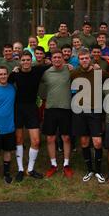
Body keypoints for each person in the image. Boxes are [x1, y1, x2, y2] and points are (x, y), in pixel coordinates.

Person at [7, 52, 50, 182]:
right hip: (18, 108)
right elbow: (4, 83)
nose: (26, 62)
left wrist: (69, 66)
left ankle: (30, 169)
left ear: (32, 61)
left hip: (32, 108)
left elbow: (55, 62)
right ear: (20, 61)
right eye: (23, 60)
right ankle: (20, 169)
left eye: (28, 60)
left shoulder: (38, 70)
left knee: (36, 141)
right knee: (19, 139)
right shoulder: (15, 74)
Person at [71, 49, 107, 183]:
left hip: (95, 110)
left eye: (86, 58)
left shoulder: (98, 72)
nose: (84, 60)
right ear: (78, 60)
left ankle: (98, 170)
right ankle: (89, 170)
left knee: (97, 142)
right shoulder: (74, 73)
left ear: (90, 59)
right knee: (84, 142)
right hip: (80, 110)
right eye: (82, 58)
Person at [41, 50, 75, 178]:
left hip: (65, 109)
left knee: (66, 137)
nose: (56, 59)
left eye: (59, 57)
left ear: (63, 58)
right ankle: (53, 164)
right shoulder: (46, 73)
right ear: (51, 59)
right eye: (54, 57)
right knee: (50, 138)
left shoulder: (69, 70)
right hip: (50, 109)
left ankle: (66, 164)